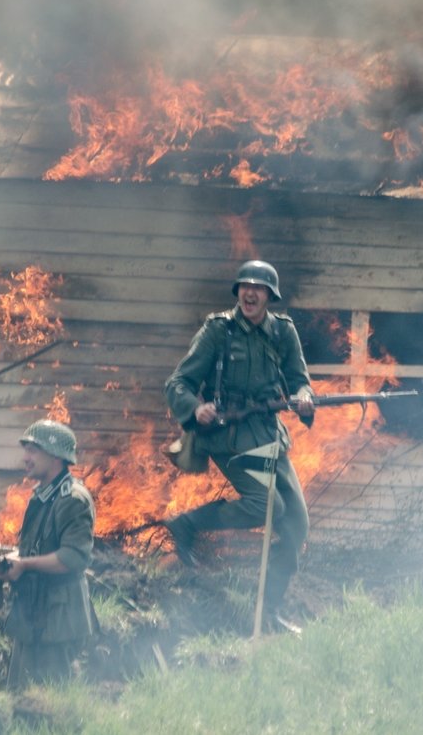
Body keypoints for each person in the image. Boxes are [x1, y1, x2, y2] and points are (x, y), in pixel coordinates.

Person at [163, 260, 315, 634]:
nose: (250, 293)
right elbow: (178, 382)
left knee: (296, 524)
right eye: (245, 286)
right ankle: (189, 524)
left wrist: (304, 397)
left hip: (268, 437)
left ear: (269, 295)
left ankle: (268, 611)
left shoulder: (283, 333)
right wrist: (195, 408)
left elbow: (300, 380)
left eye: (259, 288)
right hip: (228, 438)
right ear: (238, 292)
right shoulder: (218, 331)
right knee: (267, 506)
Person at [0, 419, 96, 687]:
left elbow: (73, 558)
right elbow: (35, 550)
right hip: (32, 615)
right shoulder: (42, 496)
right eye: (26, 450)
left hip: (58, 622)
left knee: (50, 703)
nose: (26, 458)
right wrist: (12, 561)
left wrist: (25, 565)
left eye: (33, 450)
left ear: (56, 455)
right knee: (20, 696)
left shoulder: (72, 499)